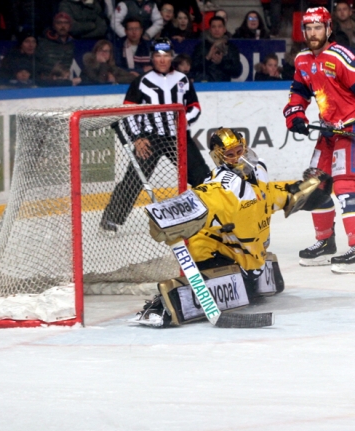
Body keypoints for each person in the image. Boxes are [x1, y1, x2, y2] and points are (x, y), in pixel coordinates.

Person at [132, 128, 333, 328]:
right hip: (213, 257)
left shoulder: (259, 174)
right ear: (219, 157)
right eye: (230, 154)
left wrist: (309, 190)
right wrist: (168, 214)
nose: (238, 158)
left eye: (239, 151)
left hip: (249, 263)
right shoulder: (222, 187)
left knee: (249, 288)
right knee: (241, 287)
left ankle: (247, 273)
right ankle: (161, 305)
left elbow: (277, 197)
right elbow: (200, 199)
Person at [283, 6, 355, 274]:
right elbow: (298, 93)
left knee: (346, 186)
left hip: (353, 129)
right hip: (329, 131)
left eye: (318, 27)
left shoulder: (342, 55)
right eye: (309, 28)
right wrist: (295, 114)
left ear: (328, 29)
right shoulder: (302, 59)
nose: (313, 33)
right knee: (315, 184)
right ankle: (325, 243)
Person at [100, 37, 211, 232]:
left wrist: (182, 122)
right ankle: (111, 220)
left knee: (201, 175)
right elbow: (129, 112)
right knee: (134, 179)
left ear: (171, 57)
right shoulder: (141, 82)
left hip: (179, 138)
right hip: (149, 138)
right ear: (152, 57)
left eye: (166, 55)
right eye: (158, 56)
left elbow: (194, 107)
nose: (162, 60)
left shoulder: (183, 80)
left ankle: (212, 213)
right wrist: (137, 139)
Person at [35, 12, 81, 87]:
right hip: (46, 84)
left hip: (65, 83)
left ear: (70, 26)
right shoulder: (43, 43)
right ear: (54, 25)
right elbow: (36, 64)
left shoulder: (72, 44)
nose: (63, 25)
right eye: (59, 22)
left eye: (66, 23)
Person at [191, 16, 242, 82]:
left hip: (224, 86)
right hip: (205, 85)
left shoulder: (231, 48)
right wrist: (207, 58)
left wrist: (221, 63)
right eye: (213, 27)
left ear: (224, 29)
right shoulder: (201, 46)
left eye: (219, 26)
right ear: (210, 30)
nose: (216, 29)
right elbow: (193, 67)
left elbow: (237, 72)